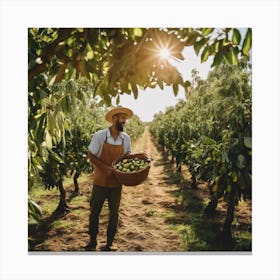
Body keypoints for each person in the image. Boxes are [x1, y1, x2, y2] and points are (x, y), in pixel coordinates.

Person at [85, 107, 133, 251]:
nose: (124, 121)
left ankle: (109, 243)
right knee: (95, 212)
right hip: (100, 181)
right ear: (114, 119)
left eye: (125, 119)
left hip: (116, 183)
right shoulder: (100, 136)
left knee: (114, 213)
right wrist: (106, 168)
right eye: (122, 118)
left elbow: (127, 157)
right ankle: (92, 241)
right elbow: (91, 156)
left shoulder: (126, 139)